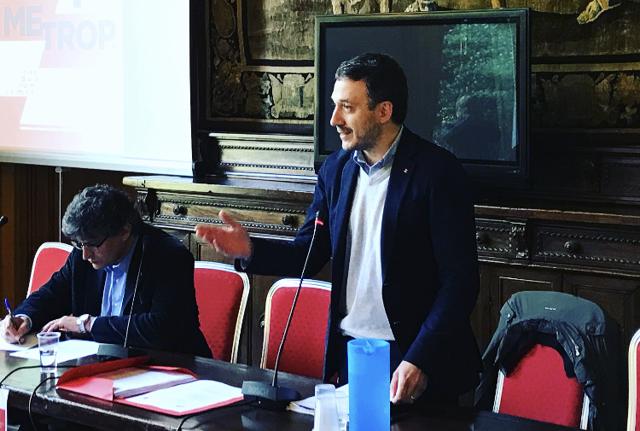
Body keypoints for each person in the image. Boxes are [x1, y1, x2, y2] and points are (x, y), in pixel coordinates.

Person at [195, 53, 481, 404]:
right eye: (335, 106)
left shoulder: (437, 172)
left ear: (384, 111)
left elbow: (460, 282)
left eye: (347, 107)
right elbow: (309, 252)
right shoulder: (336, 169)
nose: (334, 120)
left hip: (415, 357)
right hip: (352, 351)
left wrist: (420, 358)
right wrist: (250, 250)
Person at [1, 185, 211, 357]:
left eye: (93, 244)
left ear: (124, 231)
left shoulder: (168, 256)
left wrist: (87, 324)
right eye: (79, 243)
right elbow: (52, 294)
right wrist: (24, 318)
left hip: (168, 369)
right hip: (103, 366)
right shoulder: (84, 251)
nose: (85, 254)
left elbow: (161, 328)